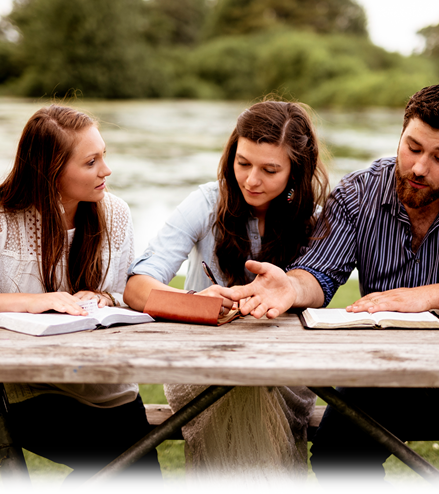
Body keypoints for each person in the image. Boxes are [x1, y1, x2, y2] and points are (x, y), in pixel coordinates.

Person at [218, 84, 439, 483]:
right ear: (401, 135)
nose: (419, 167)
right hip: (384, 376)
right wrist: (291, 287)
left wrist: (426, 297)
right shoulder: (358, 192)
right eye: (412, 147)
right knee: (334, 458)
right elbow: (321, 274)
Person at [0, 104, 160, 481]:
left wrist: (101, 299)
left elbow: (118, 293)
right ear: (50, 171)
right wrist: (35, 303)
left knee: (132, 468)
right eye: (91, 162)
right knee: (131, 467)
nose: (106, 171)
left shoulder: (116, 213)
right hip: (29, 393)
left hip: (111, 391)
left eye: (103, 156)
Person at [124, 99, 329, 481]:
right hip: (200, 368)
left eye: (270, 170)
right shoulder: (205, 202)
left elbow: (321, 292)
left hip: (285, 372)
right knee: (237, 389)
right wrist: (192, 304)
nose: (251, 180)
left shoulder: (312, 220)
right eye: (243, 162)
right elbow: (137, 287)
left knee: (250, 389)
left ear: (296, 173)